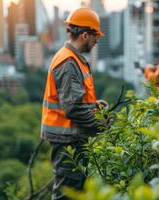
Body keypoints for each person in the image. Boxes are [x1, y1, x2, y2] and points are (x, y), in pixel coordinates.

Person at [41, 8, 108, 200]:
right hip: (67, 141)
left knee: (76, 192)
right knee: (67, 194)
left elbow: (73, 100)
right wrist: (101, 125)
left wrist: (92, 105)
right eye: (96, 36)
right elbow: (73, 108)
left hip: (70, 137)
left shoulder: (72, 59)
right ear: (85, 35)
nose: (97, 41)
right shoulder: (68, 63)